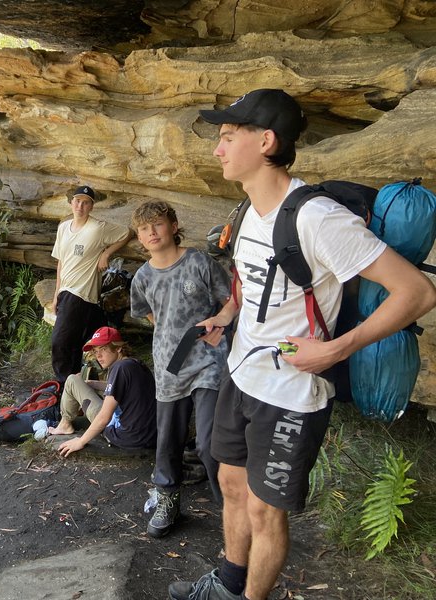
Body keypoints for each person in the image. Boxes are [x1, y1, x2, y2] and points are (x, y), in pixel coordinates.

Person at [168, 89, 436, 600]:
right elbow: (249, 281)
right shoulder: (248, 210)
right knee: (229, 484)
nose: (217, 149)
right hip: (242, 373)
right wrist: (226, 316)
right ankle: (227, 584)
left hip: (291, 394)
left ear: (265, 141)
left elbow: (417, 292)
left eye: (227, 137)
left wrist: (336, 351)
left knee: (266, 510)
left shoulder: (318, 218)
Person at [129, 201, 231, 539]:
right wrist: (170, 335)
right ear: (139, 237)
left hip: (208, 362)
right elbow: (148, 313)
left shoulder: (199, 261)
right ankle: (168, 498)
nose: (152, 232)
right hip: (169, 367)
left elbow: (232, 299)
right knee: (168, 439)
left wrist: (219, 326)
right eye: (145, 229)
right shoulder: (142, 277)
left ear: (174, 225)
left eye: (157, 224)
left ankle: (230, 506)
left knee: (209, 441)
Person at [51, 185, 132, 388]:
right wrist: (56, 294)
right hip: (67, 293)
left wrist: (106, 253)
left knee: (60, 343)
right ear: (71, 203)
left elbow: (127, 233)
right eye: (77, 201)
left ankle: (63, 387)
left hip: (80, 293)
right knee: (78, 345)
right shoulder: (63, 228)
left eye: (86, 202)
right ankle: (75, 389)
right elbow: (61, 262)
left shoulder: (97, 228)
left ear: (91, 206)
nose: (80, 205)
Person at [51, 326, 157, 457]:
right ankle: (67, 421)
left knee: (72, 380)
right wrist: (91, 384)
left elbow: (104, 417)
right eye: (95, 351)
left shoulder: (119, 368)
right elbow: (120, 388)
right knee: (83, 384)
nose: (98, 356)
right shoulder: (135, 364)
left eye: (103, 349)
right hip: (149, 435)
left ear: (118, 348)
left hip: (125, 437)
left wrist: (81, 441)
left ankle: (65, 424)